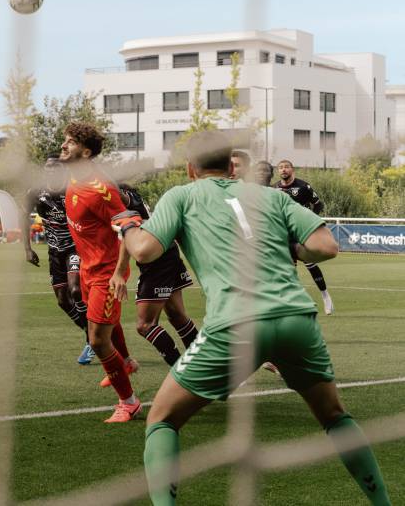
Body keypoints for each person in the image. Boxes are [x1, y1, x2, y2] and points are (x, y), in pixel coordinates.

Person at [116, 131, 389, 505]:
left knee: (162, 420)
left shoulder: (181, 195)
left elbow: (145, 252)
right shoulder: (272, 195)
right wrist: (286, 244)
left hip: (236, 324)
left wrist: (128, 227)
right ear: (232, 166)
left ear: (190, 168)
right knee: (334, 417)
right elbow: (327, 247)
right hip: (296, 319)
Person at [59, 121, 141, 423]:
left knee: (97, 340)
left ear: (87, 151)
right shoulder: (71, 177)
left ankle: (129, 402)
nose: (64, 145)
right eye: (64, 140)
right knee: (104, 326)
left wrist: (120, 273)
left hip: (107, 273)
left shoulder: (101, 188)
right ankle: (127, 362)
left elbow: (129, 226)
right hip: (89, 269)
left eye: (71, 142)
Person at [110, 184, 197, 370]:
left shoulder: (126, 200)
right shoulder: (130, 205)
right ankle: (205, 366)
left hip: (157, 260)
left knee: (145, 325)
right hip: (165, 253)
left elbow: (128, 235)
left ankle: (182, 373)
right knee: (177, 316)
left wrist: (118, 273)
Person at [22, 158, 94, 365]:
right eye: (48, 168)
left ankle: (92, 340)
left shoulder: (74, 189)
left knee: (75, 289)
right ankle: (92, 334)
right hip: (54, 252)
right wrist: (27, 248)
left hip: (75, 248)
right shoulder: (35, 192)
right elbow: (23, 216)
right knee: (63, 300)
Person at [275, 160, 334, 315]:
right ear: (278, 171)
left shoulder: (303, 187)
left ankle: (325, 296)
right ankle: (294, 302)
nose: (283, 170)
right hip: (284, 232)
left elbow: (318, 204)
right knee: (288, 268)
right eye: (280, 167)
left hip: (301, 231)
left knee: (310, 263)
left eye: (286, 167)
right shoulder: (274, 188)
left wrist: (308, 220)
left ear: (292, 170)